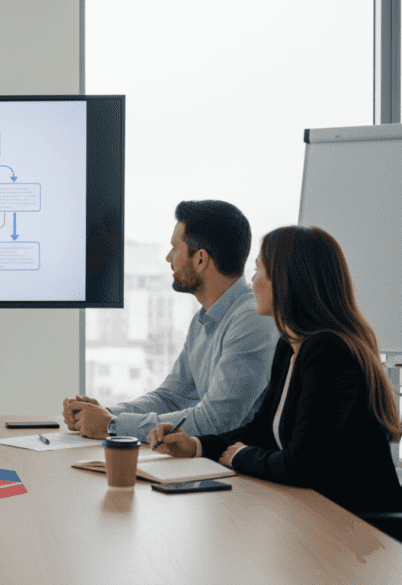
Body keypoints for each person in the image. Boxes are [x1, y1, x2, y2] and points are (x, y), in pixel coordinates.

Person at [149, 226, 402, 514]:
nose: (253, 280)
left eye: (259, 271)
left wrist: (240, 457)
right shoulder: (291, 346)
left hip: (363, 528)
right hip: (318, 513)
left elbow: (304, 465)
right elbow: (261, 430)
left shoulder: (328, 352)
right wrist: (195, 445)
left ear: (284, 281)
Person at [64, 200, 280, 441]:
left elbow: (215, 421)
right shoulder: (203, 320)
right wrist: (104, 414)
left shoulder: (252, 320)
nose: (168, 258)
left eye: (175, 248)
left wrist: (112, 425)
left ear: (200, 259)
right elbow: (170, 397)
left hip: (240, 470)